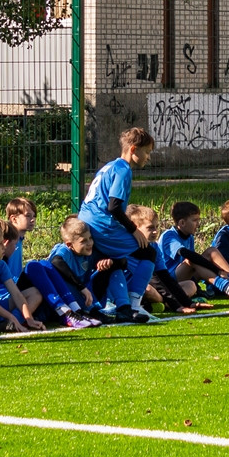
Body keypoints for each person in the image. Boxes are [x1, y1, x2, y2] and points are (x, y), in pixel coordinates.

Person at [77, 127, 160, 323]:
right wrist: (133, 230)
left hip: (86, 221)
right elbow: (113, 206)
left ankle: (122, 307)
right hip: (101, 225)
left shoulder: (109, 166)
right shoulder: (123, 170)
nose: (148, 157)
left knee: (114, 260)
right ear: (133, 149)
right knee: (148, 252)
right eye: (146, 152)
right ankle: (134, 304)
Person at [160, 201, 229, 301]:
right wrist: (217, 270)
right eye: (195, 220)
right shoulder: (169, 236)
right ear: (182, 223)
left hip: (184, 277)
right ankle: (228, 288)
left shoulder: (189, 237)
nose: (198, 224)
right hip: (170, 280)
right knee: (191, 260)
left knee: (212, 251)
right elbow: (188, 255)